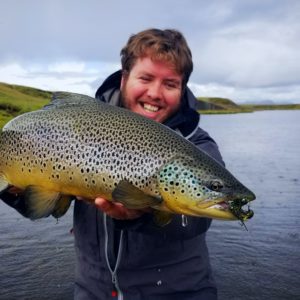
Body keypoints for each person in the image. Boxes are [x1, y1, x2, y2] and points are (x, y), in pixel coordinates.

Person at [1, 28, 224, 300]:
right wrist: (10, 187)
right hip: (92, 291)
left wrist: (144, 215)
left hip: (181, 293)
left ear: (182, 89)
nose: (155, 93)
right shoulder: (80, 128)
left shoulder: (196, 145)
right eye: (146, 78)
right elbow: (39, 206)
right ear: (123, 79)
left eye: (170, 84)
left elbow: (199, 220)